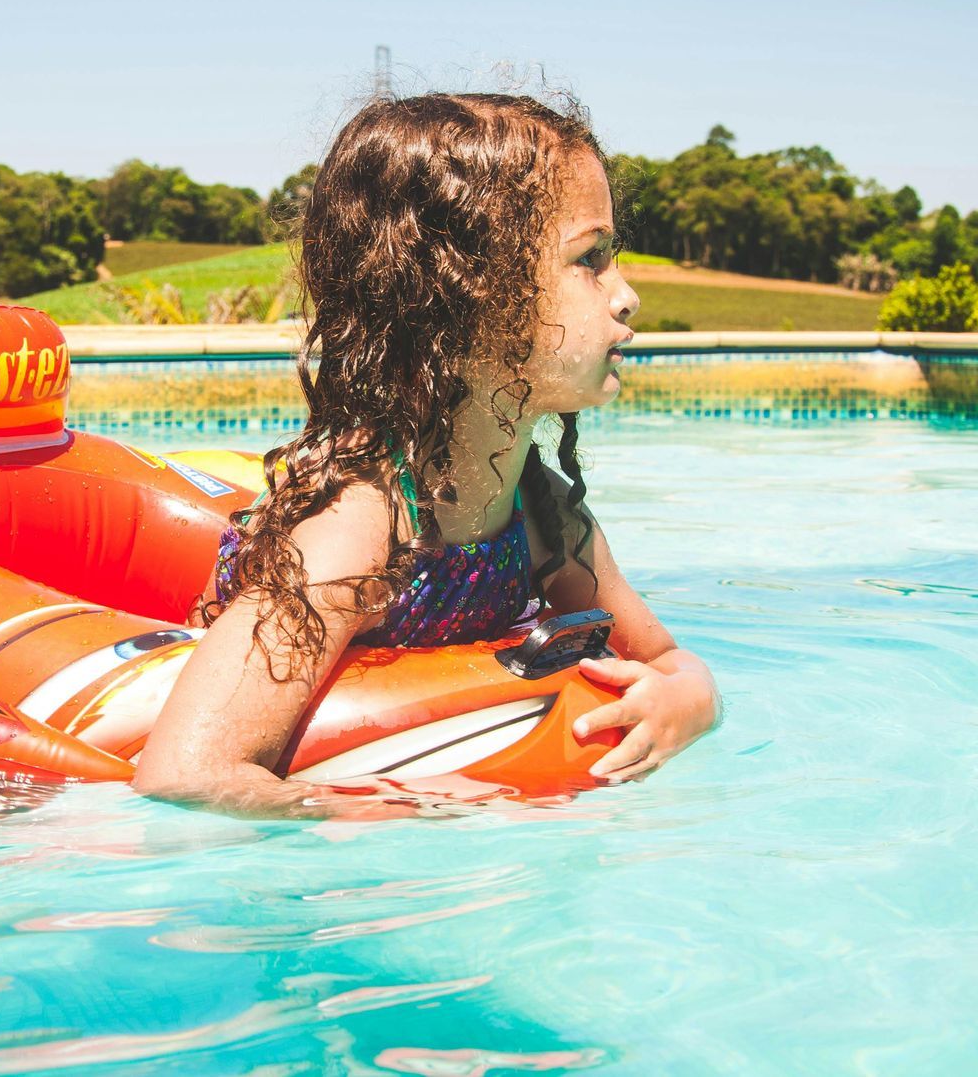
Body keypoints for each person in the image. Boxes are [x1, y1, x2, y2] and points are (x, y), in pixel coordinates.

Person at [134, 92, 719, 817]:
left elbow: (665, 657)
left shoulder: (540, 508)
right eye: (590, 258)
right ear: (470, 295)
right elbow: (184, 774)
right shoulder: (362, 526)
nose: (626, 296)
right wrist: (396, 817)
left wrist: (688, 697)